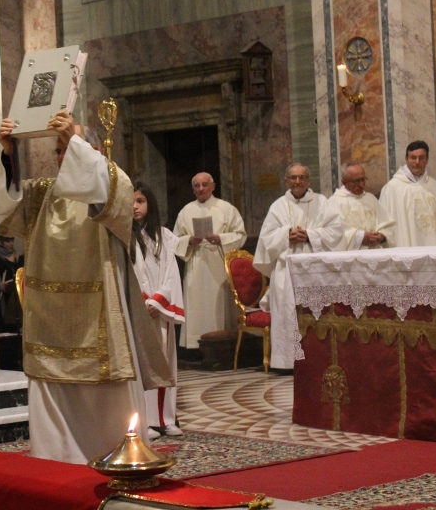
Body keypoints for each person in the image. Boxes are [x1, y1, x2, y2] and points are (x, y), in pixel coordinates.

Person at [0, 110, 171, 464]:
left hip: (100, 314)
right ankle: (57, 463)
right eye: (58, 150)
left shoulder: (116, 182)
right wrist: (9, 154)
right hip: (49, 318)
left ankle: (114, 457)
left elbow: (101, 188)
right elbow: (4, 208)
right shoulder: (42, 193)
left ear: (92, 151)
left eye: (68, 147)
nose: (62, 156)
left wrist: (74, 139)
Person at [254, 163, 343, 370]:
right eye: (293, 178)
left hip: (315, 269)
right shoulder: (277, 206)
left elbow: (337, 231)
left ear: (309, 181)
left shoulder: (322, 202)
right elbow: (266, 238)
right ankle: (287, 362)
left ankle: (316, 359)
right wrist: (286, 235)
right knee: (287, 314)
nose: (298, 181)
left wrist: (310, 235)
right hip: (285, 269)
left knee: (315, 313)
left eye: (302, 177)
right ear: (286, 181)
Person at [131, 182, 185, 440]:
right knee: (143, 366)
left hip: (159, 311)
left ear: (149, 204)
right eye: (130, 202)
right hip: (137, 311)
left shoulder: (164, 237)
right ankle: (146, 421)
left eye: (140, 201)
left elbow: (172, 273)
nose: (134, 206)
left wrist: (158, 300)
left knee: (164, 363)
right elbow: (127, 274)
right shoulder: (122, 236)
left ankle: (166, 419)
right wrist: (141, 302)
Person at [172, 172, 247, 346]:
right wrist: (189, 240)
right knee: (197, 306)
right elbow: (174, 239)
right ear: (193, 189)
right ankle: (197, 343)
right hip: (196, 261)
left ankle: (223, 343)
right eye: (197, 186)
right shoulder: (186, 211)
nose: (201, 189)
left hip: (218, 261)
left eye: (205, 184)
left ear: (213, 186)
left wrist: (220, 239)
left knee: (219, 306)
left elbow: (240, 234)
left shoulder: (226, 208)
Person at [379, 141, 436, 247]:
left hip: (435, 246)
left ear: (427, 160)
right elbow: (385, 223)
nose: (417, 162)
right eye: (413, 158)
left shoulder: (435, 186)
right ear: (406, 158)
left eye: (421, 158)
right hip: (408, 247)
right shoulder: (393, 188)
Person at [328, 162, 396, 250]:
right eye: (356, 181)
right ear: (344, 182)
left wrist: (382, 236)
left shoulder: (370, 198)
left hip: (376, 252)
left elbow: (387, 225)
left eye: (363, 179)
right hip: (352, 255)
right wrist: (360, 237)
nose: (361, 184)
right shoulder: (334, 202)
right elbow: (334, 233)